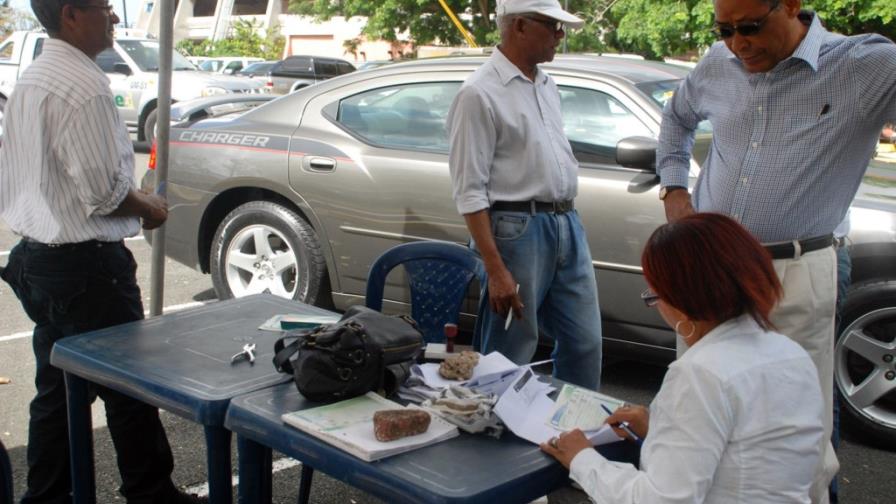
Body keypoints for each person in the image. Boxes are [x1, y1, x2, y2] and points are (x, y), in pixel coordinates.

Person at [656, 0, 896, 500]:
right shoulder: (718, 63)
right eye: (724, 30)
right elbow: (677, 117)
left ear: (790, 5)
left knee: (798, 419)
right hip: (713, 270)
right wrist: (674, 189)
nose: (738, 44)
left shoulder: (862, 66)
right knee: (701, 400)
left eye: (750, 27)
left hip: (797, 268)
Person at [0, 1, 202, 502]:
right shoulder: (82, 85)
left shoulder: (34, 77)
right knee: (127, 388)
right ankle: (151, 493)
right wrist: (150, 207)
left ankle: (47, 495)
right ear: (71, 14)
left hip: (40, 259)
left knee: (58, 390)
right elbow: (103, 194)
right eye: (106, 8)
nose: (114, 18)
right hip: (85, 267)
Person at [542, 213, 825, 503]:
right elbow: (752, 453)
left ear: (681, 298)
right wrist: (659, 430)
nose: (657, 307)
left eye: (654, 295)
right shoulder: (792, 354)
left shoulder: (701, 373)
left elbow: (662, 500)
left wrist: (582, 458)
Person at [446, 0, 602, 389]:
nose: (560, 35)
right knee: (510, 350)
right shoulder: (479, 93)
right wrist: (495, 270)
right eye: (551, 26)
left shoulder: (546, 84)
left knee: (584, 343)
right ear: (519, 26)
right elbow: (469, 191)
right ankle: (493, 424)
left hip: (566, 221)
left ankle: (573, 422)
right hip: (516, 229)